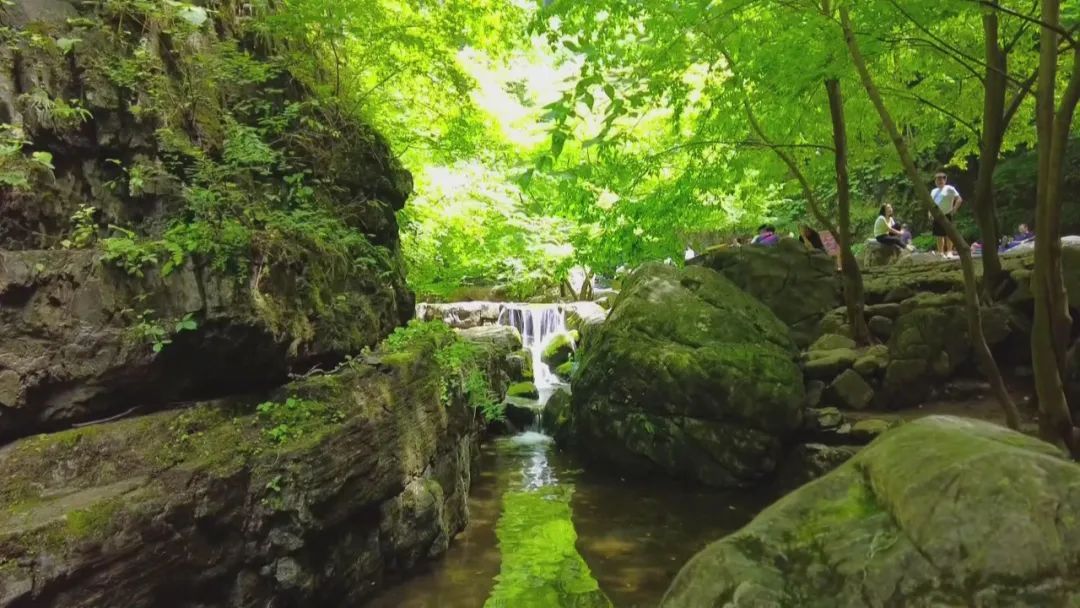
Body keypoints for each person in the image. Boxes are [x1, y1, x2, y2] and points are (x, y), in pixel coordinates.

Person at [930, 172, 963, 257]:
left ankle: (949, 251)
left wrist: (954, 209)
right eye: (938, 179)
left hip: (947, 214)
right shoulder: (933, 191)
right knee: (939, 235)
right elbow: (931, 204)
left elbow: (959, 199)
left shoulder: (949, 189)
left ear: (945, 180)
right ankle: (940, 252)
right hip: (937, 215)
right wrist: (929, 213)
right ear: (935, 181)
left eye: (941, 179)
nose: (940, 181)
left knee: (949, 233)